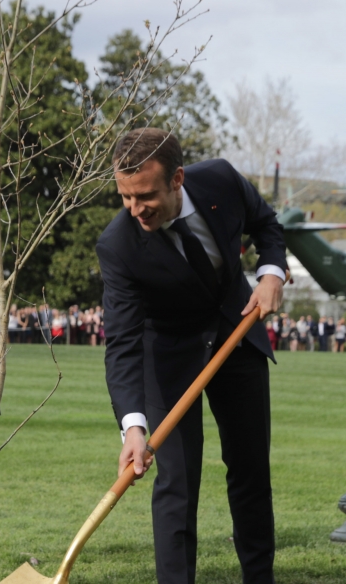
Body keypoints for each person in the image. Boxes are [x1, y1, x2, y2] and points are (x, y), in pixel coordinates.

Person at [98, 128, 287, 584]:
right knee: (176, 486)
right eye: (125, 197)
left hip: (234, 335)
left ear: (177, 178)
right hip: (168, 356)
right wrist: (133, 427)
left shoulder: (220, 180)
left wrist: (270, 273)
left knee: (250, 473)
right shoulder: (118, 244)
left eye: (145, 196)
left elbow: (266, 224)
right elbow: (122, 341)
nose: (135, 209)